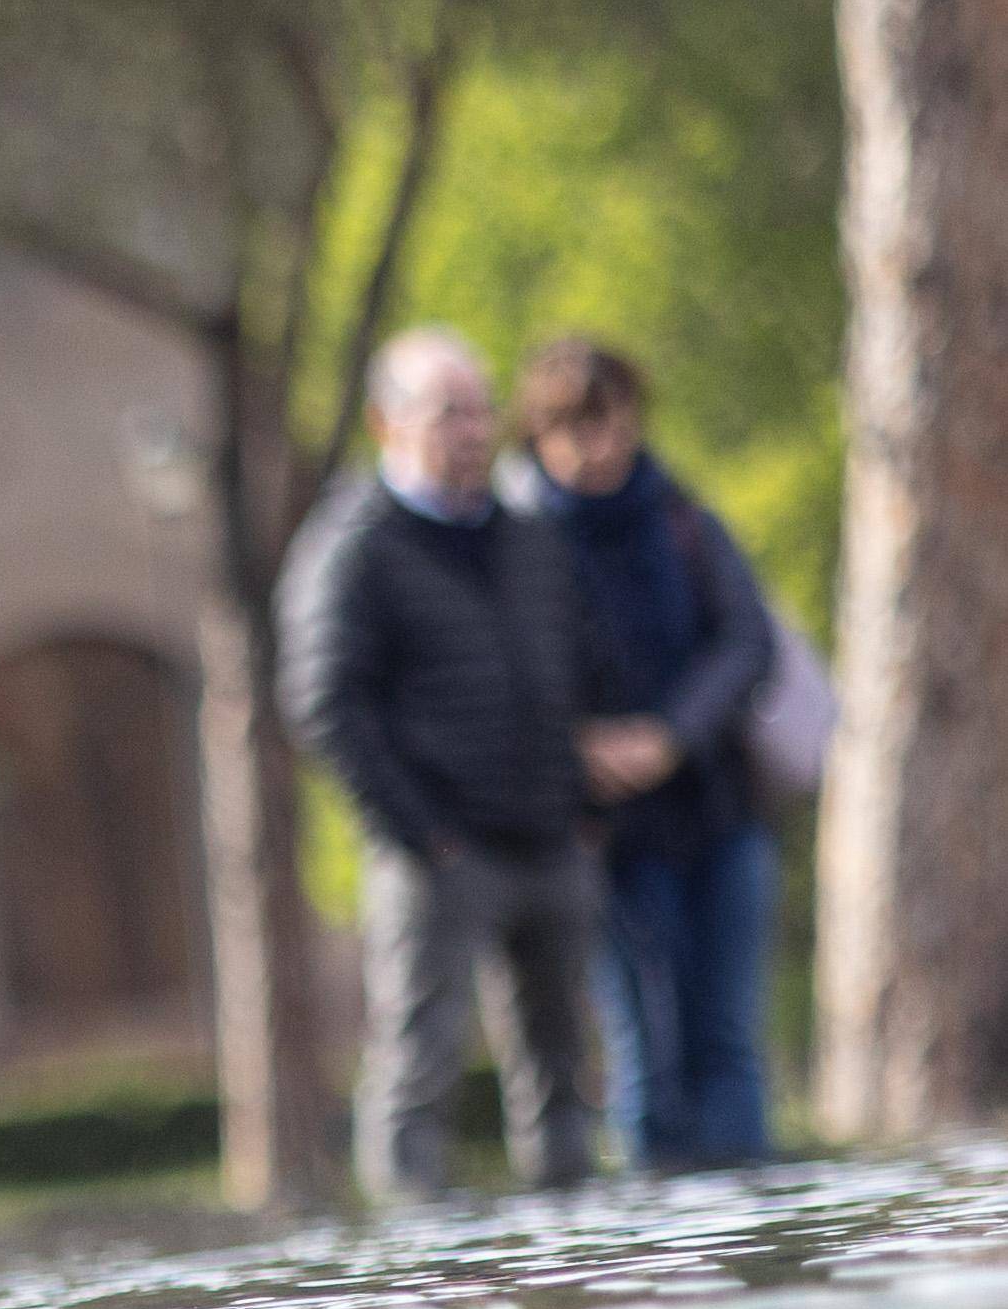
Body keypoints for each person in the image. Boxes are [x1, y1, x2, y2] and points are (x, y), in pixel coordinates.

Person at [280, 328, 604, 1198]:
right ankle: (414, 1266)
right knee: (417, 1066)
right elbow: (323, 705)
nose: (472, 428)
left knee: (563, 1070)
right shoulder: (352, 547)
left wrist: (580, 808)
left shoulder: (529, 534)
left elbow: (575, 665)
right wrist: (420, 832)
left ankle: (573, 1258)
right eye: (448, 411)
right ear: (387, 424)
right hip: (440, 854)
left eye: (481, 407)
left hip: (547, 837)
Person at [512, 336, 782, 1170]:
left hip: (716, 807)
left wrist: (669, 734)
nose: (598, 449)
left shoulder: (681, 517)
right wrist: (583, 745)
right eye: (576, 431)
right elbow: (507, 672)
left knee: (727, 1036)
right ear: (540, 436)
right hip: (605, 832)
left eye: (611, 424)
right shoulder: (518, 545)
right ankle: (655, 1264)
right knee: (642, 1056)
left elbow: (746, 640)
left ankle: (751, 1243)